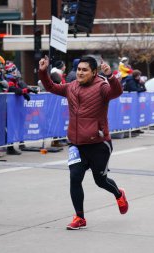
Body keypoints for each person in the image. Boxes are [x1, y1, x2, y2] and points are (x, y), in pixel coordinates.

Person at [38, 55, 129, 230]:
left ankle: (119, 194)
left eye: (84, 70)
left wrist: (111, 77)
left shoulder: (102, 86)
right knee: (74, 178)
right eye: (79, 69)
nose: (80, 72)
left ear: (94, 72)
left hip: (98, 143)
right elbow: (50, 86)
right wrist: (43, 71)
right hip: (76, 144)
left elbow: (116, 92)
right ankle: (80, 218)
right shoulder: (71, 87)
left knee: (100, 181)